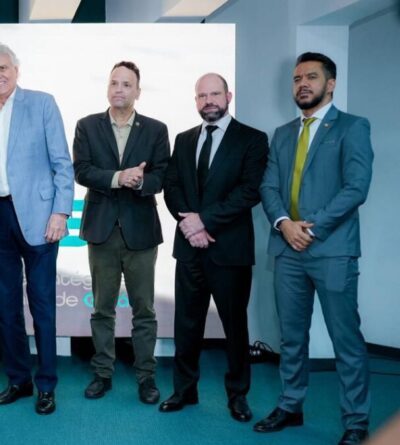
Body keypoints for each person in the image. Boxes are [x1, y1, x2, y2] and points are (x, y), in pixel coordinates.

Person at [255, 52, 373, 445]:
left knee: (346, 340)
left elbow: (356, 187)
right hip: (287, 249)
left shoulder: (353, 127)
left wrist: (313, 227)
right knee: (291, 336)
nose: (302, 84)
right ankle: (291, 405)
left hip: (333, 251)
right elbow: (268, 187)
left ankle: (356, 420)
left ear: (331, 83)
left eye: (311, 77)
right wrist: (284, 224)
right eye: (296, 79)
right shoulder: (283, 133)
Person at [0, 41, 74, 415]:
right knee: (7, 306)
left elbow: (62, 163)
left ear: (16, 69)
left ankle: (46, 384)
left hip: (41, 218)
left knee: (42, 305)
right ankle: (18, 379)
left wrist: (60, 213)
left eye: (3, 68)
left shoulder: (43, 103)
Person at [160, 73, 268, 421]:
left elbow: (249, 191)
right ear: (195, 101)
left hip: (229, 250)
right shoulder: (184, 138)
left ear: (228, 96)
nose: (209, 100)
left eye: (215, 94)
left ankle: (237, 396)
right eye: (202, 95)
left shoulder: (252, 139)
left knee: (234, 326)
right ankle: (184, 391)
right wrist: (188, 225)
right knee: (186, 325)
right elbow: (172, 186)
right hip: (190, 248)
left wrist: (203, 221)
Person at [72, 61, 169, 405]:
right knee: (102, 309)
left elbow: (161, 175)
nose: (119, 89)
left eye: (127, 84)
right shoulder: (87, 126)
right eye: (114, 83)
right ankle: (102, 373)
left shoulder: (156, 129)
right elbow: (82, 171)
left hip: (141, 232)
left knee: (144, 310)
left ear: (137, 91)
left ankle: (146, 376)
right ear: (107, 87)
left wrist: (140, 179)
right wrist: (118, 177)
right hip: (102, 231)